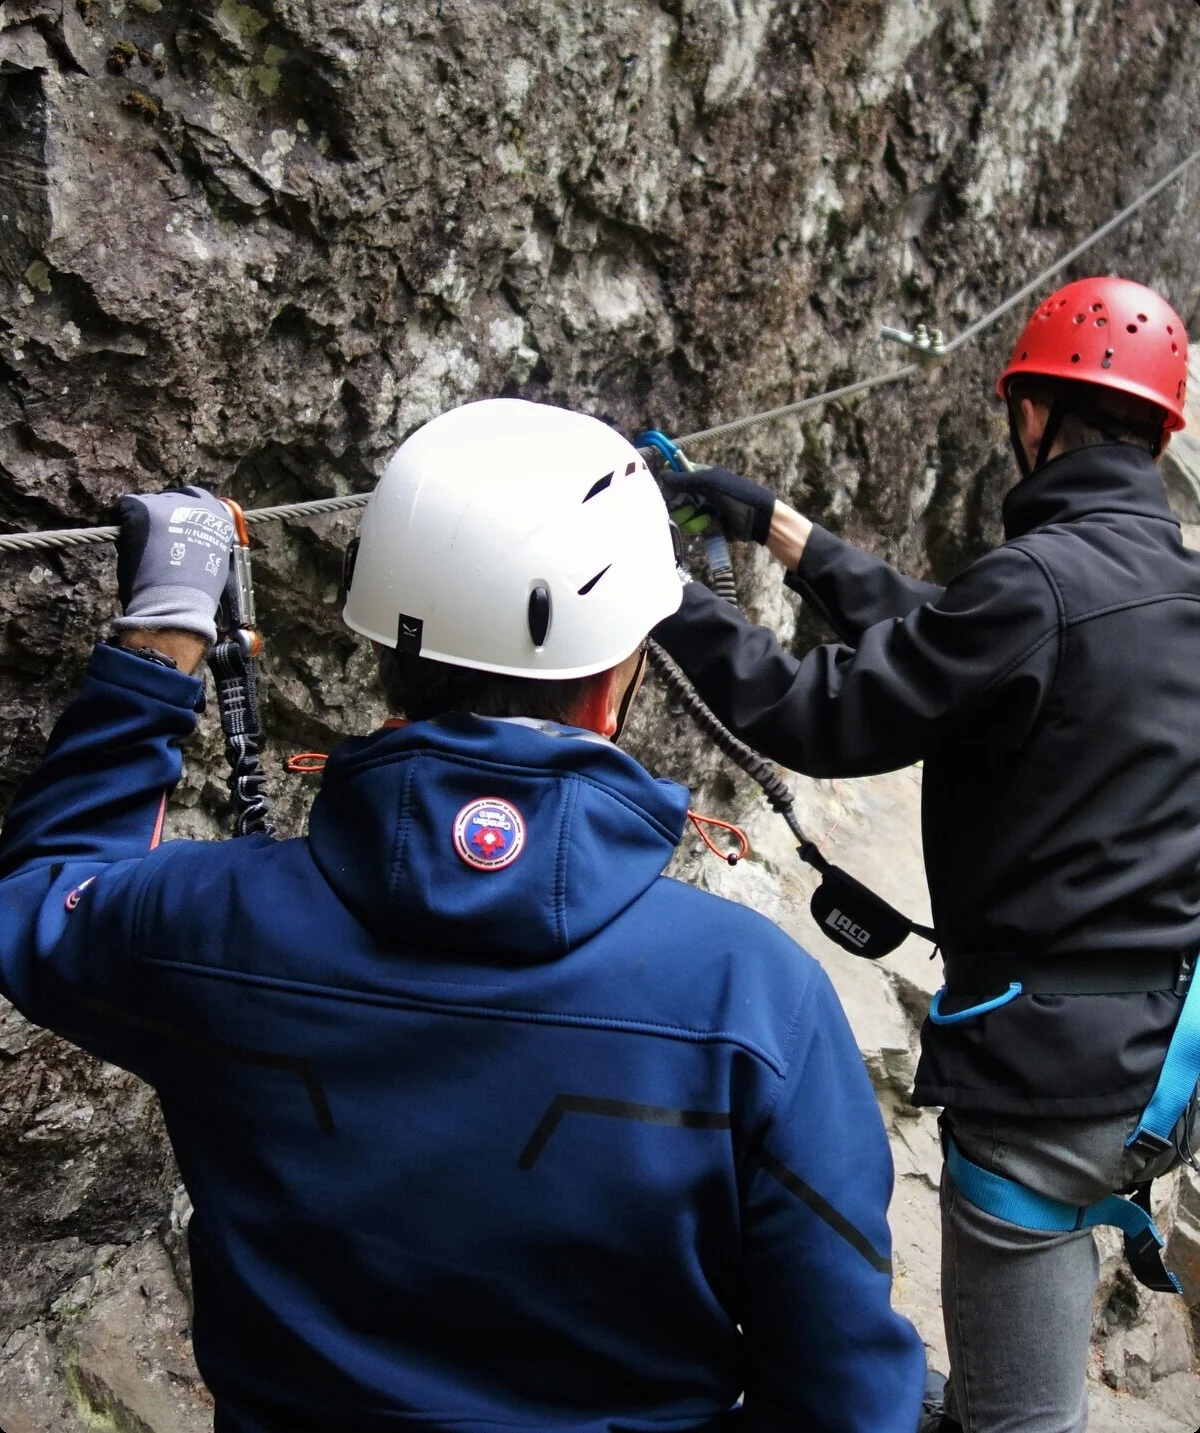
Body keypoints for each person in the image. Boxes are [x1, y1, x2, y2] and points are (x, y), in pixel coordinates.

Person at [0, 398, 926, 1433]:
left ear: (388, 643)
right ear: (619, 674)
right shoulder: (753, 993)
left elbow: (44, 892)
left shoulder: (211, 923)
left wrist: (162, 632)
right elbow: (846, 1396)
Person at [651, 276, 1200, 1433]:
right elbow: (965, 636)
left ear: (1030, 417)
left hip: (1044, 1092)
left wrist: (658, 584)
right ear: (1161, 430)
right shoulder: (1170, 586)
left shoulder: (1035, 589)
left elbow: (813, 713)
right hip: (1173, 1058)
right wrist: (782, 533)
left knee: (1019, 1420)